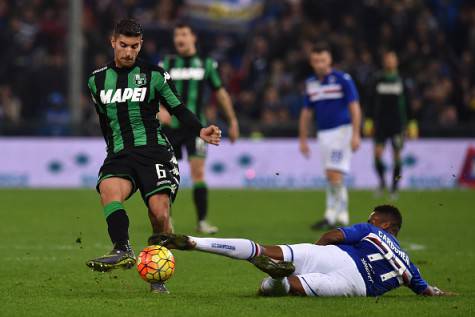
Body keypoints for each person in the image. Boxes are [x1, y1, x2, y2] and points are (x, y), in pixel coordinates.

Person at [85, 19, 221, 293]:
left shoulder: (154, 74)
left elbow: (178, 108)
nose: (128, 52)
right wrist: (112, 149)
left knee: (159, 214)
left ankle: (157, 276)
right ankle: (122, 248)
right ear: (113, 42)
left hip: (154, 152)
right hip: (120, 153)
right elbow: (104, 121)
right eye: (123, 45)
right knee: (109, 191)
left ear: (141, 45)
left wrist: (200, 130)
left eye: (134, 46)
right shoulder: (96, 81)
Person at [150, 205, 453, 297]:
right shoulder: (408, 264)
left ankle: (195, 242)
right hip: (356, 286)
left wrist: (311, 254)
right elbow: (427, 291)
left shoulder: (371, 229)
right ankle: (279, 280)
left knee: (266, 249)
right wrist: (446, 294)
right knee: (284, 289)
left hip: (337, 256)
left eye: (375, 218)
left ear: (386, 224)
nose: (371, 219)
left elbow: (333, 235)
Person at [158, 22, 239, 234]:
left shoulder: (206, 63)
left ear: (193, 37)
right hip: (170, 128)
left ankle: (202, 221)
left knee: (198, 172)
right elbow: (151, 90)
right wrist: (160, 109)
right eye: (177, 34)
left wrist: (232, 120)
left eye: (184, 33)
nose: (179, 38)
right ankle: (167, 221)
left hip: (196, 128)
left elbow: (221, 93)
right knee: (166, 175)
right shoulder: (167, 62)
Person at [299, 43, 362, 230]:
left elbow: (354, 107)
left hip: (342, 131)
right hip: (323, 133)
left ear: (330, 60)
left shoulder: (342, 79)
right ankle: (331, 214)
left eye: (323, 60)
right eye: (316, 60)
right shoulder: (311, 83)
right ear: (311, 62)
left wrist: (356, 133)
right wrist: (303, 138)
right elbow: (306, 112)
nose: (320, 64)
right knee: (330, 174)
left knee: (335, 174)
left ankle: (341, 215)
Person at [364, 51, 418, 198]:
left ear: (397, 62)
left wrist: (412, 123)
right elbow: (369, 101)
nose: (389, 62)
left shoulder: (402, 80)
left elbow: (408, 103)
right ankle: (382, 183)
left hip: (397, 124)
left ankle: (395, 187)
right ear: (384, 61)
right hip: (380, 124)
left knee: (397, 157)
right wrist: (368, 120)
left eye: (392, 59)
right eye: (387, 59)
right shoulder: (377, 79)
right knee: (377, 154)